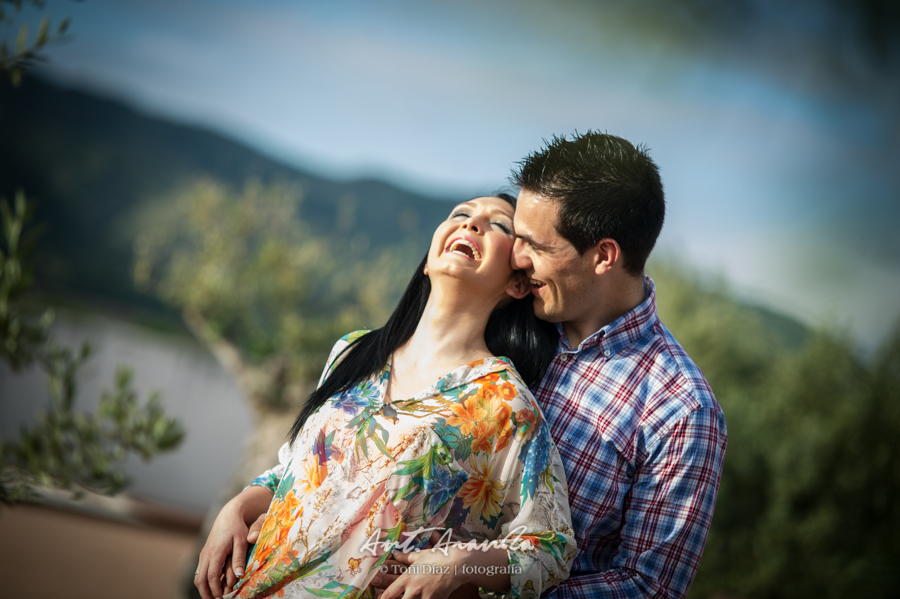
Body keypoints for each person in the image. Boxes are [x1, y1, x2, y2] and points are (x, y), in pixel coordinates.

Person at [194, 195, 577, 599]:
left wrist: (460, 566)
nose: (472, 224)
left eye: (497, 224)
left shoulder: (506, 404)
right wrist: (236, 508)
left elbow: (551, 549)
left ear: (517, 283)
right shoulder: (353, 351)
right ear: (428, 261)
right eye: (460, 215)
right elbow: (295, 473)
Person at [503, 131, 728, 598]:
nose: (517, 258)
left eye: (538, 246)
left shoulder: (682, 412)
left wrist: (484, 588)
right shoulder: (507, 311)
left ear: (603, 255)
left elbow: (648, 587)